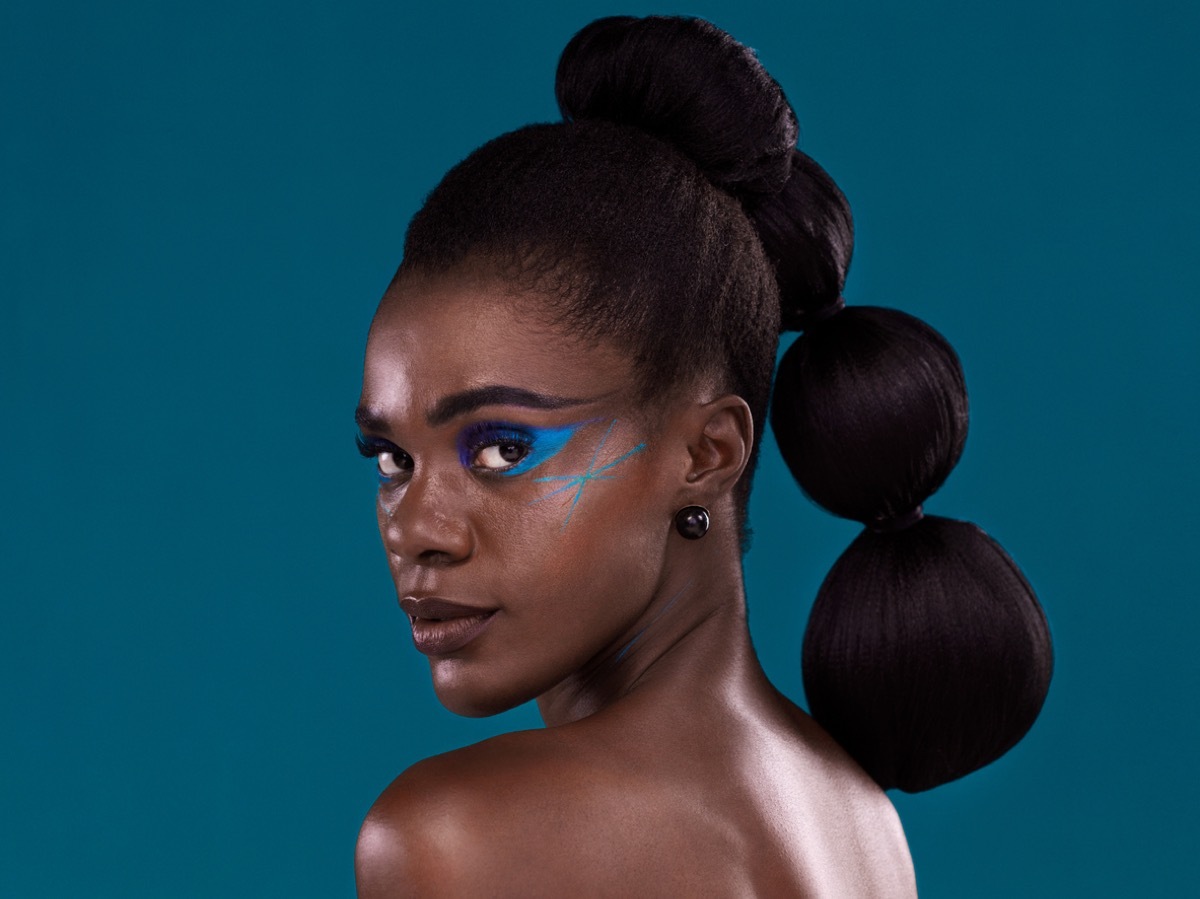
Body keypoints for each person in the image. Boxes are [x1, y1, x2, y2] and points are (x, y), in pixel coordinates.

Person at [352, 15, 1053, 897]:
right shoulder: (859, 815)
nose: (417, 529)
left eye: (502, 447)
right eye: (391, 459)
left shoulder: (453, 835)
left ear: (708, 451)